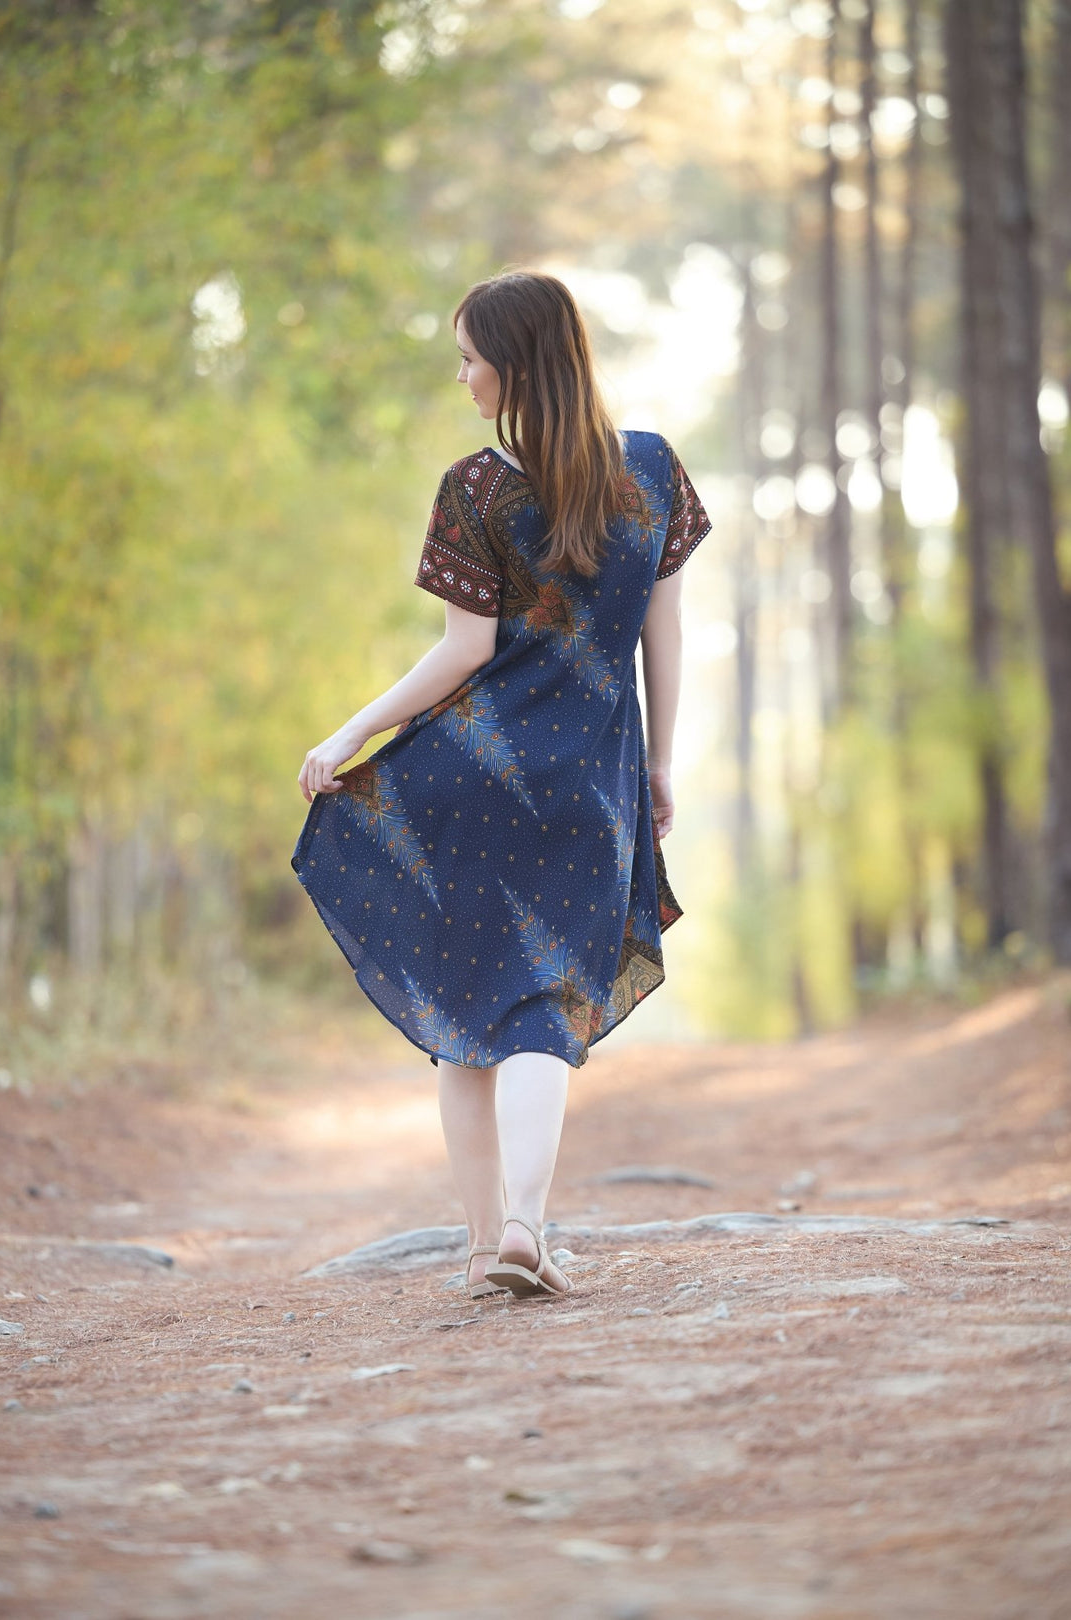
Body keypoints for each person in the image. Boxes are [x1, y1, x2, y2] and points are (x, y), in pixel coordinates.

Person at [291, 269, 710, 1301]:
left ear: (516, 366)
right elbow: (666, 632)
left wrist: (351, 731)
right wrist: (659, 766)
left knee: (465, 1014)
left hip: (469, 775)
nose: (464, 375)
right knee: (539, 1009)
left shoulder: (475, 489)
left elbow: (462, 654)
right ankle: (517, 1230)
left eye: (472, 357)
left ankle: (488, 1247)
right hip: (588, 785)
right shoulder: (652, 472)